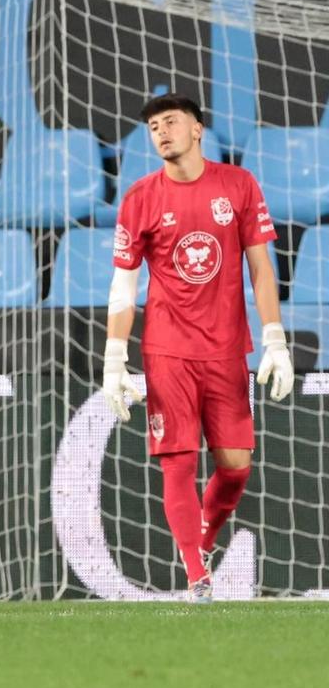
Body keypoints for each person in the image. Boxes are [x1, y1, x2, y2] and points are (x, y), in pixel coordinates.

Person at [101, 93, 290, 602]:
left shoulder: (238, 185)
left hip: (228, 349)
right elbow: (124, 285)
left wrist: (275, 339)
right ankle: (195, 574)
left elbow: (261, 267)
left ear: (198, 129)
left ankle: (203, 539)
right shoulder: (140, 197)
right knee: (178, 461)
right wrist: (114, 360)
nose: (161, 132)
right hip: (167, 350)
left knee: (235, 466)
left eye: (171, 122)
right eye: (153, 126)